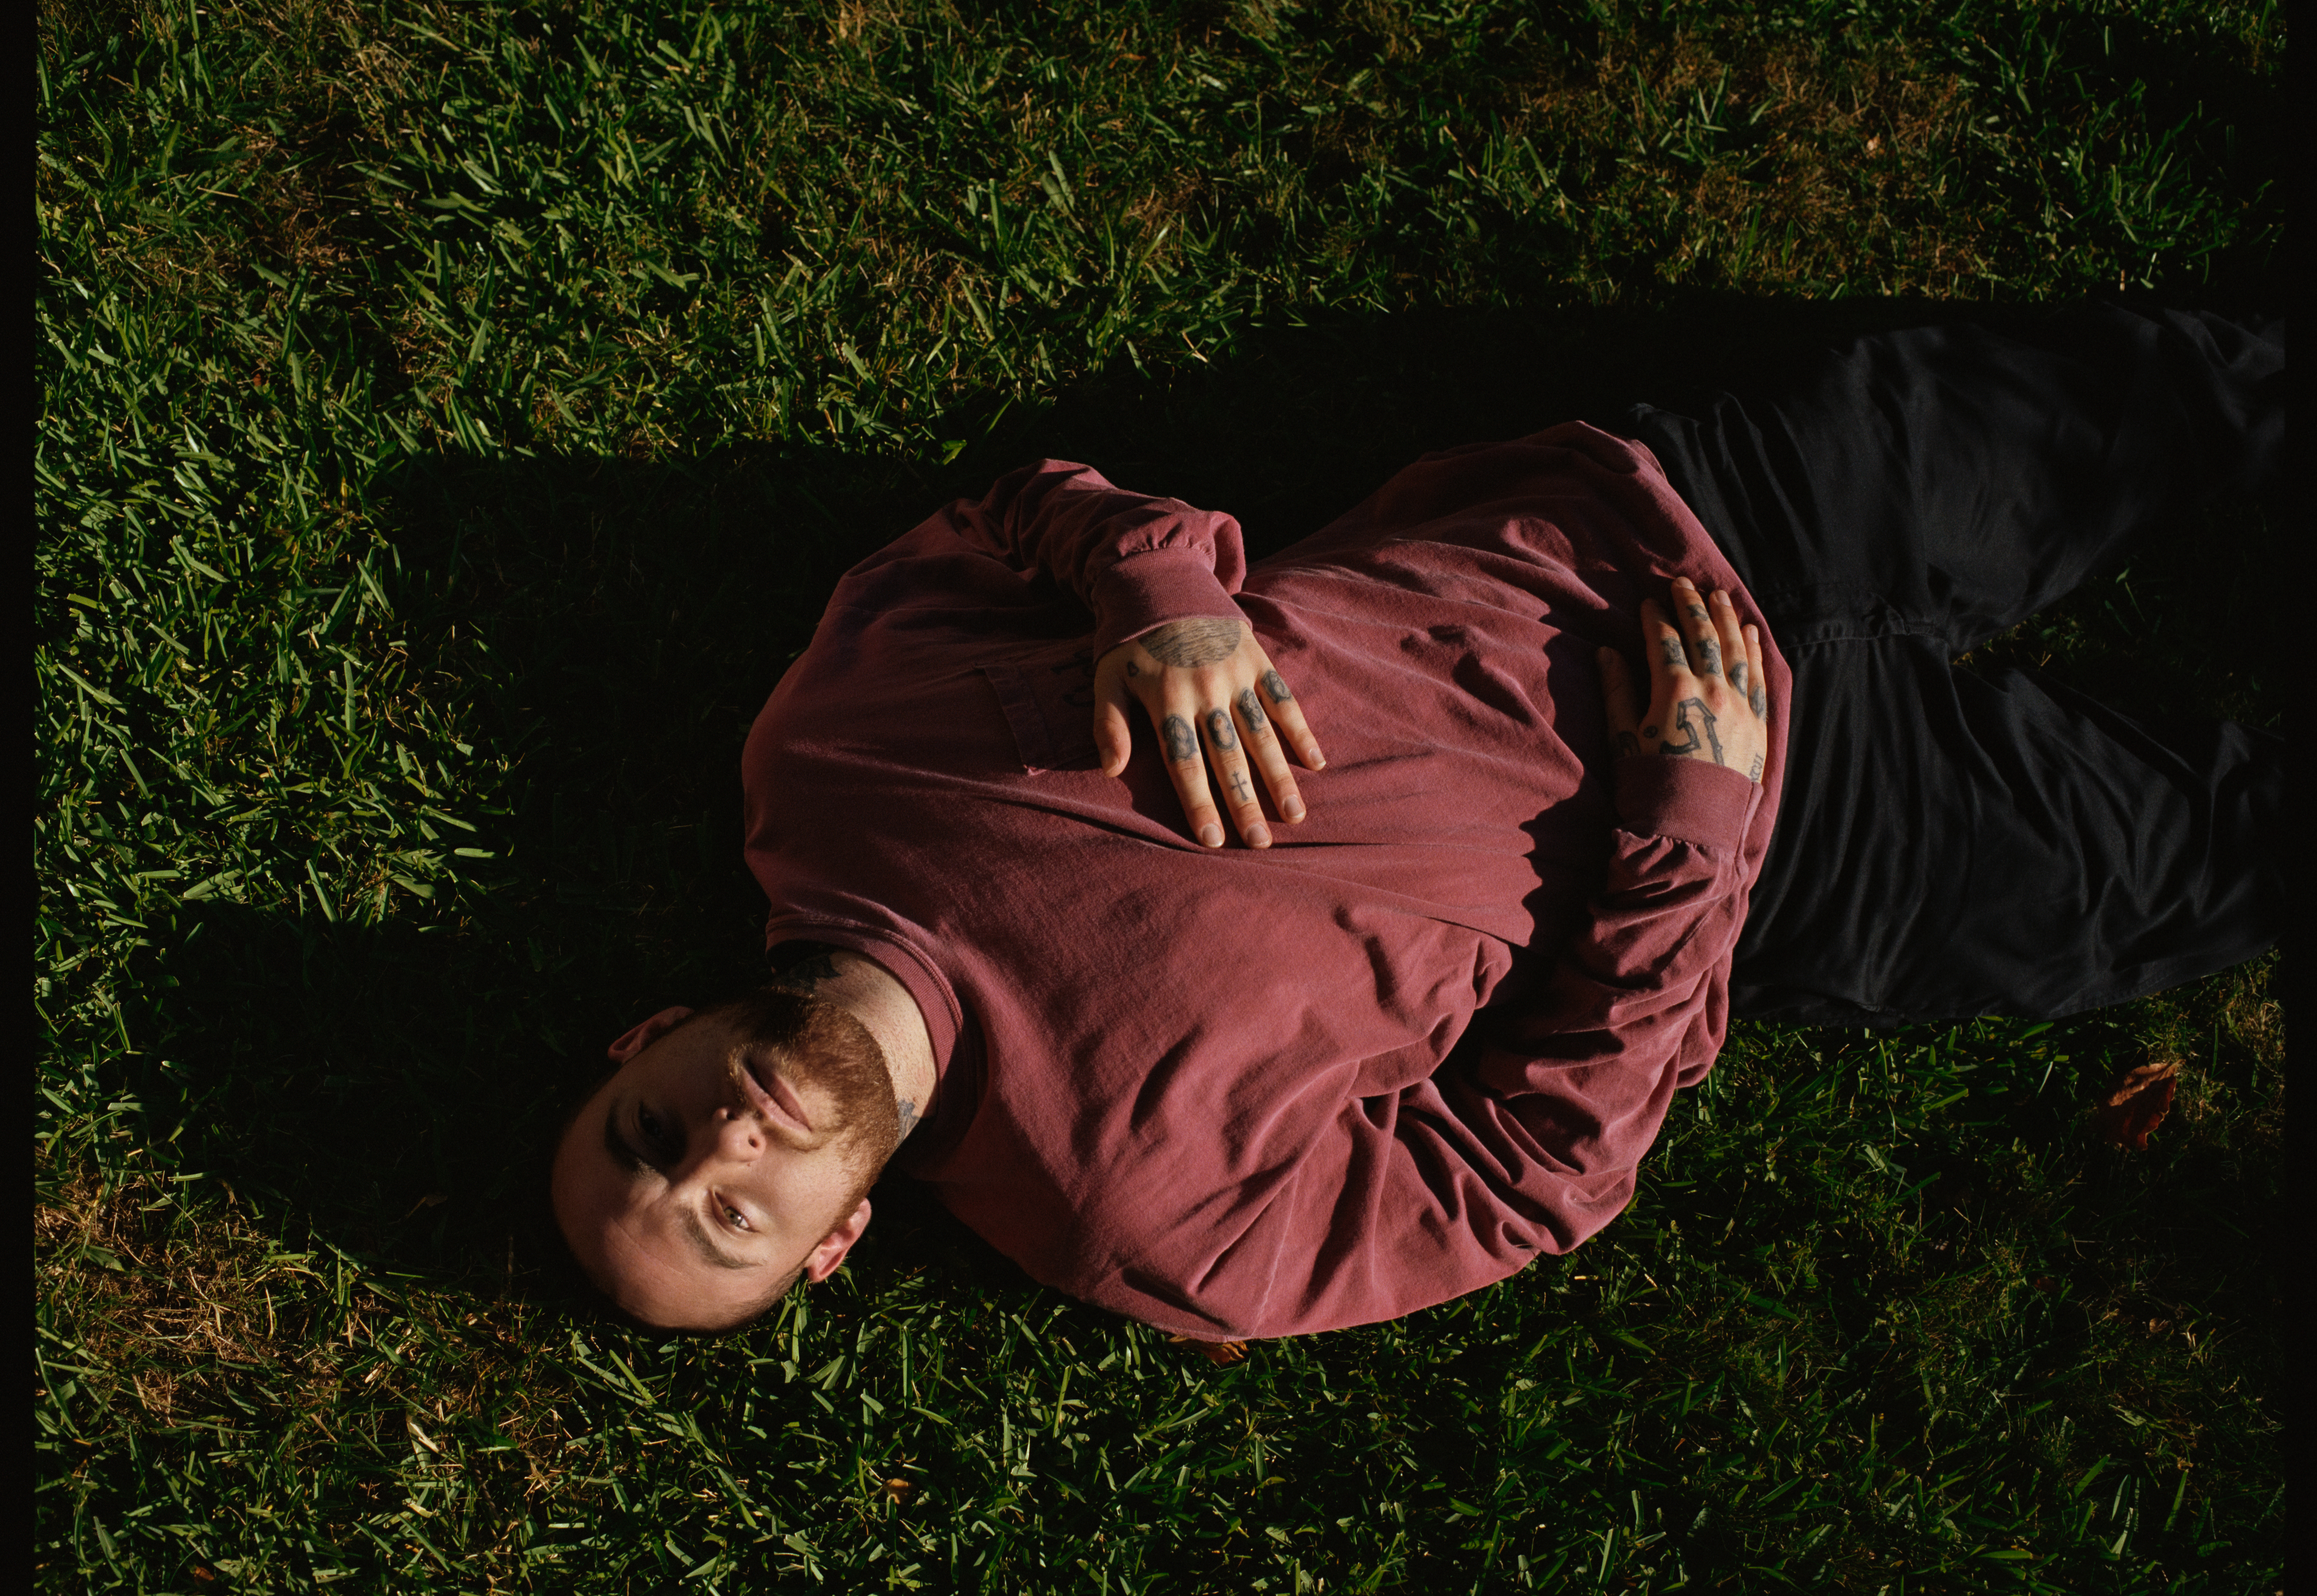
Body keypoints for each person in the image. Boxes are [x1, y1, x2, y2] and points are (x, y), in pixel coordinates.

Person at [551, 303, 2283, 1339]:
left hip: (1657, 525)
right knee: (2242, 847)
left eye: (646, 1134)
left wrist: (1154, 594)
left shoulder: (830, 758)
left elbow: (1013, 517)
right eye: (734, 1218)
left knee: (2181, 391)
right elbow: (1530, 1176)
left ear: (646, 1038)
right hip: (1812, 845)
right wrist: (1694, 819)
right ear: (835, 1234)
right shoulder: (1135, 1221)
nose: (721, 1148)